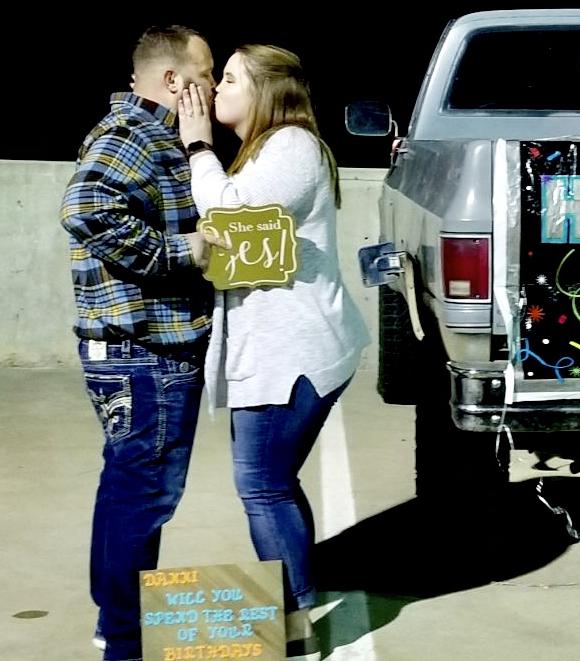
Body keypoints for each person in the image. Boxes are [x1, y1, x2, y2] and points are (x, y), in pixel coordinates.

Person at [177, 43, 370, 661]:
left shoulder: (291, 145)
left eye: (230, 79)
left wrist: (198, 146)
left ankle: (294, 622)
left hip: (291, 354)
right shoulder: (270, 148)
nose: (216, 89)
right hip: (284, 348)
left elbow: (230, 212)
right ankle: (299, 600)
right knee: (274, 482)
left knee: (261, 486)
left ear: (265, 91)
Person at [60, 25, 222, 661]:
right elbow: (85, 206)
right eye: (206, 74)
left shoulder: (145, 132)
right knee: (145, 496)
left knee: (128, 490)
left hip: (131, 353)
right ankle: (125, 643)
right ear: (175, 81)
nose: (213, 86)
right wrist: (182, 251)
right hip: (145, 354)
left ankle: (114, 624)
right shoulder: (138, 134)